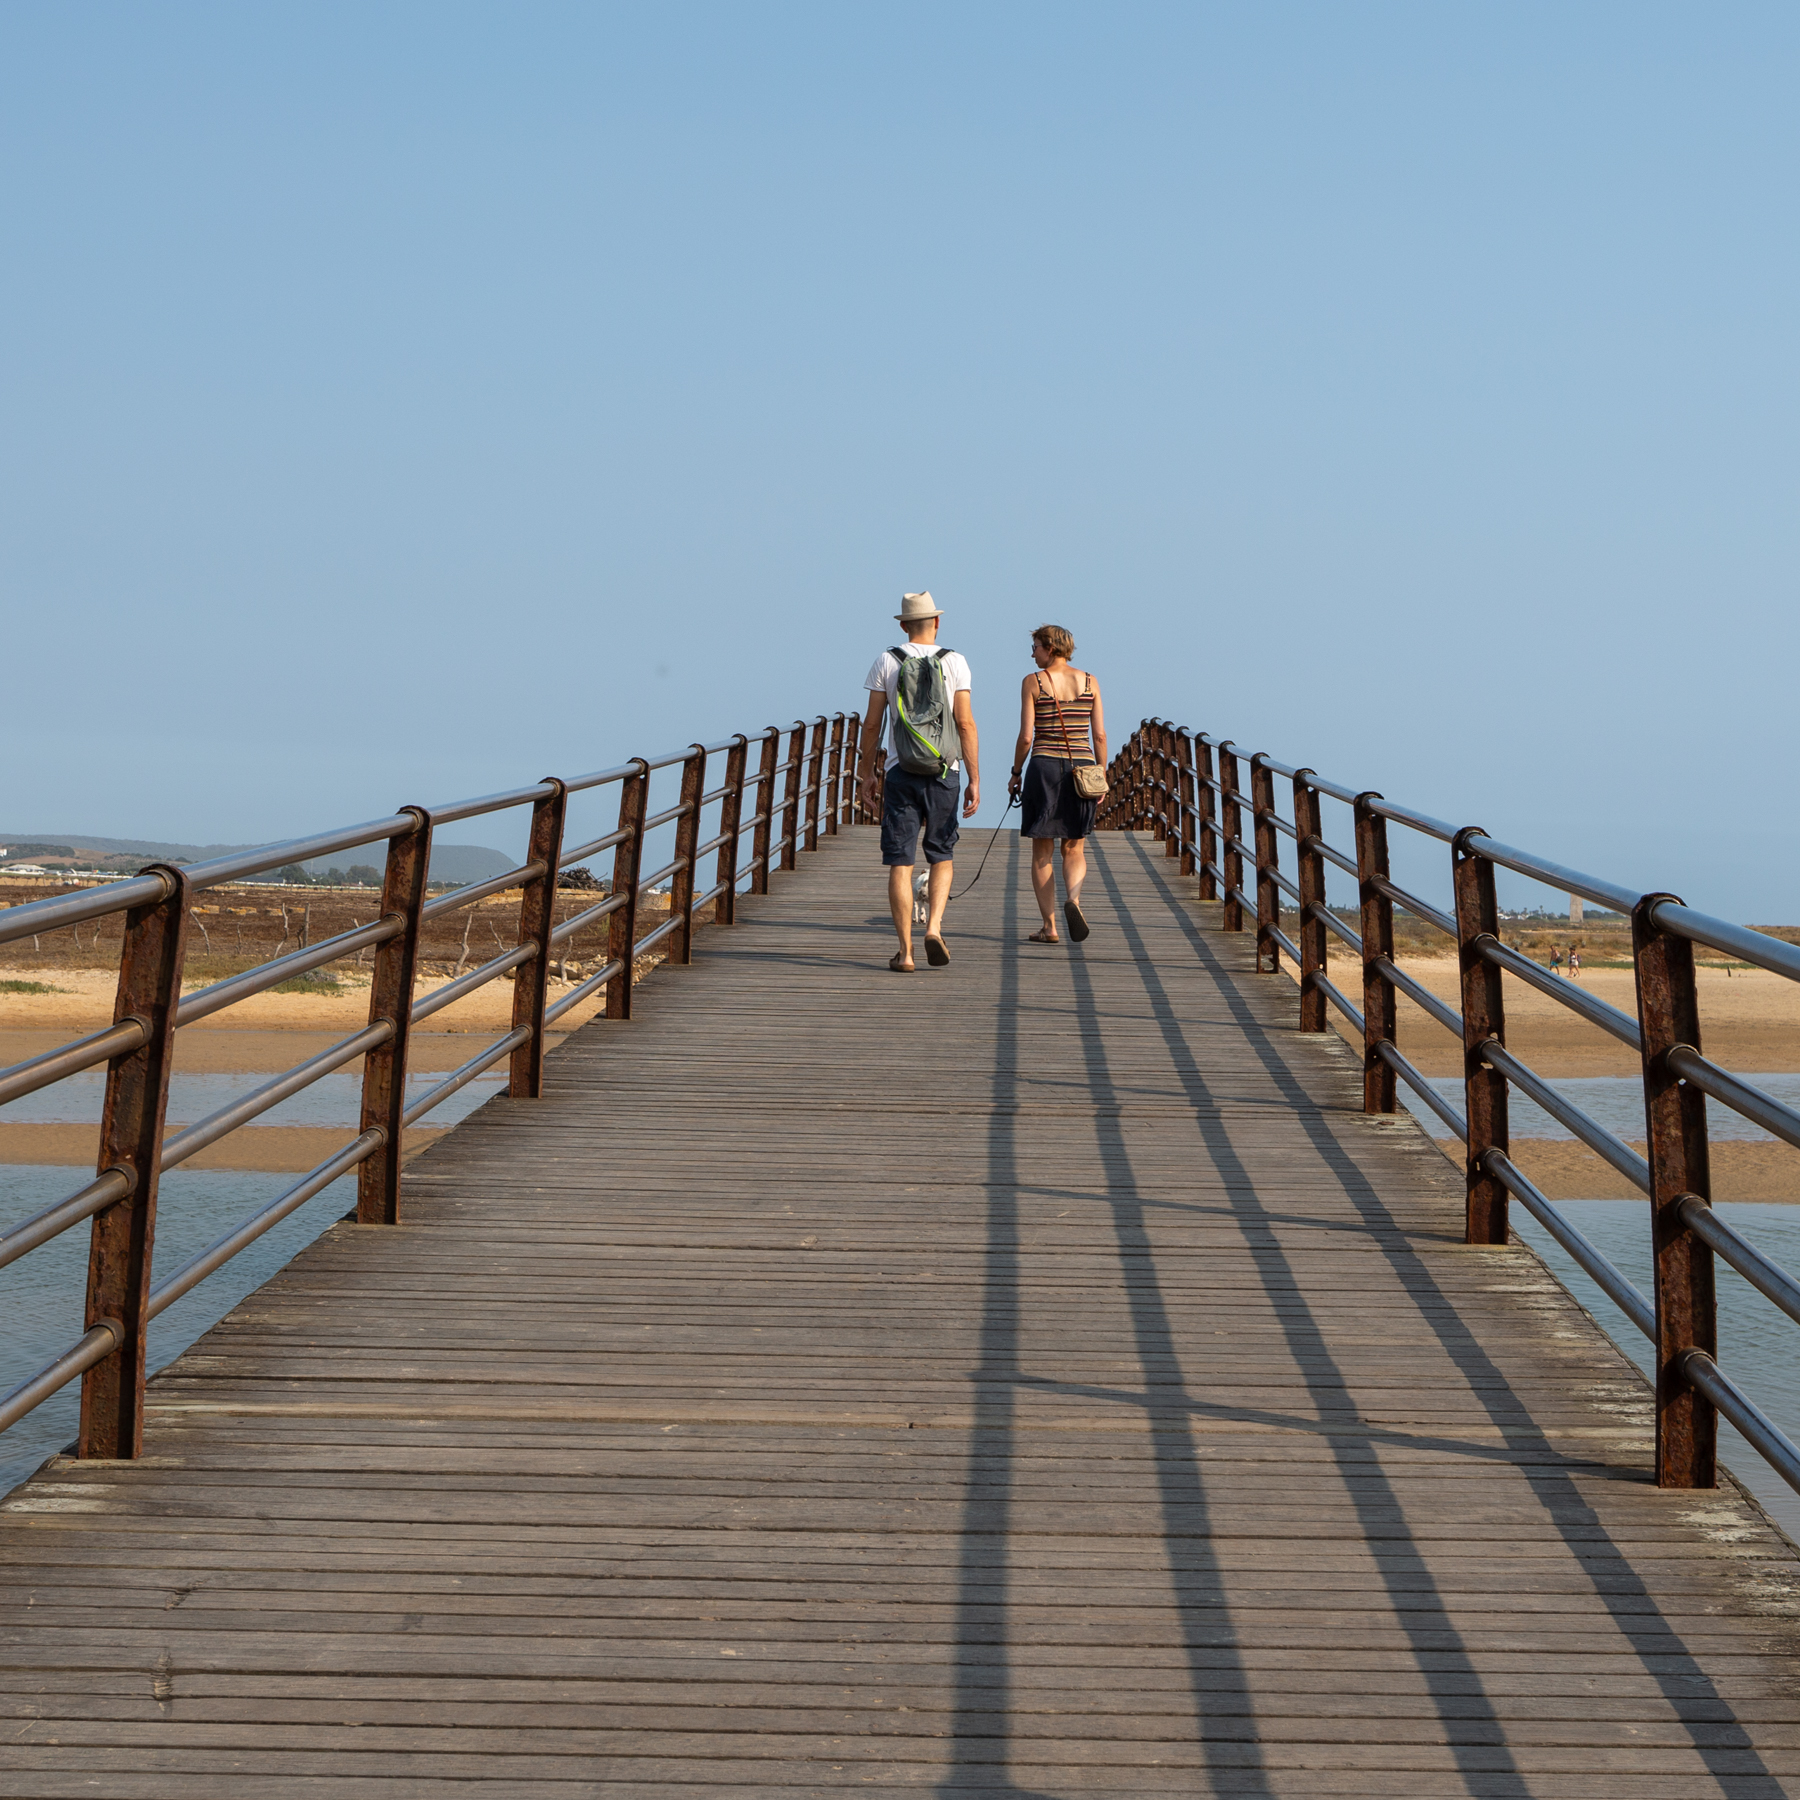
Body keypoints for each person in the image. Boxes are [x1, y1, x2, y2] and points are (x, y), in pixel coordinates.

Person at [858, 592, 979, 972]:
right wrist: (974, 777)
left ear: (902, 625)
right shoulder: (955, 661)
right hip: (946, 771)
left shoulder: (887, 660)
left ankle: (905, 952)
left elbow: (873, 724)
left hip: (900, 769)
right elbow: (964, 723)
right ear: (937, 623)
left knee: (901, 862)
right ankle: (935, 929)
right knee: (941, 855)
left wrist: (866, 773)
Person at [1007, 624, 1108, 945]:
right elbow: (1100, 735)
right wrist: (1101, 774)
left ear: (1050, 648)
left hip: (1044, 767)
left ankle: (1049, 926)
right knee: (1074, 845)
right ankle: (1074, 900)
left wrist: (1015, 771)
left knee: (1042, 850)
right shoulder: (1090, 681)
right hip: (1082, 767)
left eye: (1035, 646)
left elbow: (1026, 736)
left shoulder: (1033, 682)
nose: (1032, 653)